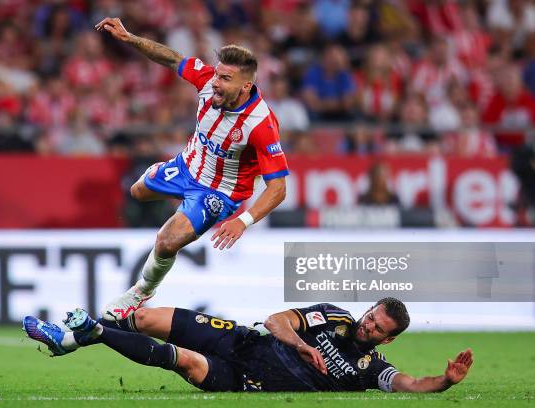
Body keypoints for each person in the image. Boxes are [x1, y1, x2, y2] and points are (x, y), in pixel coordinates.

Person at [94, 17, 289, 322]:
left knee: (167, 240)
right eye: (218, 74)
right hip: (186, 166)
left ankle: (141, 291)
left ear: (245, 85)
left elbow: (278, 188)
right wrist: (130, 38)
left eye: (225, 78)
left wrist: (244, 221)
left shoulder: (261, 125)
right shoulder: (207, 80)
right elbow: (171, 58)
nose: (216, 82)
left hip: (219, 192)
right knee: (137, 191)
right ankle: (171, 181)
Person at [23, 297, 473, 393]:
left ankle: (90, 334)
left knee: (186, 362)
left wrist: (446, 382)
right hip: (242, 339)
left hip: (244, 378)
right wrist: (300, 344)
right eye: (371, 314)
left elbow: (412, 384)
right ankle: (72, 338)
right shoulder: (333, 317)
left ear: (388, 339)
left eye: (378, 328)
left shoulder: (371, 371)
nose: (368, 324)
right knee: (144, 317)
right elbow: (277, 320)